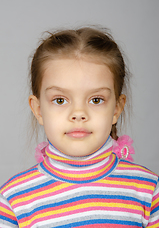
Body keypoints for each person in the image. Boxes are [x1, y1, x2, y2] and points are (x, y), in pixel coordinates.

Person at [0, 27, 158, 228]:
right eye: (59, 100)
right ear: (38, 109)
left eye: (96, 99)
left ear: (116, 109)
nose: (78, 113)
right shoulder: (13, 200)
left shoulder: (148, 190)